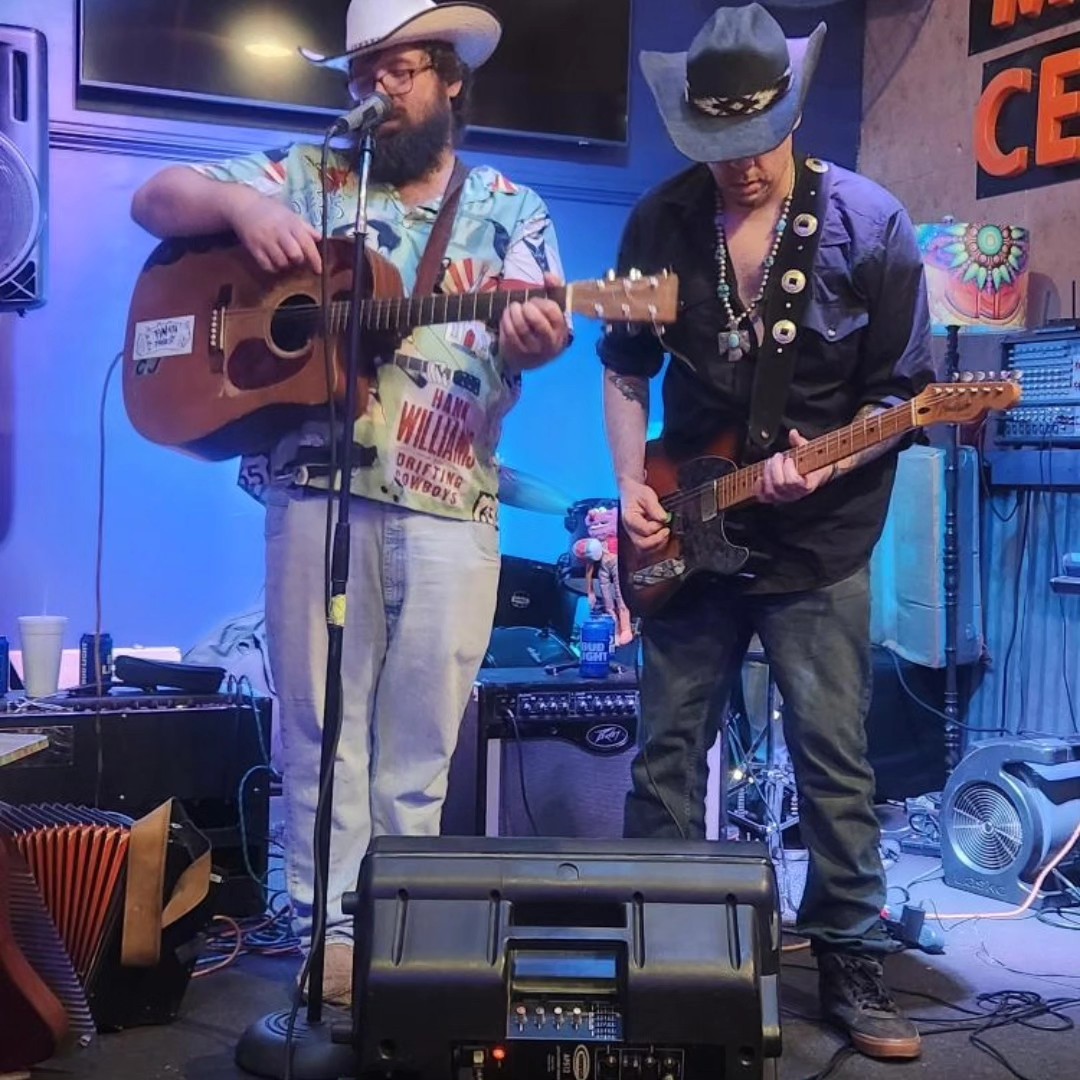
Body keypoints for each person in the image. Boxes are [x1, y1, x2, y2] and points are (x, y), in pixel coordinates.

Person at [131, 0, 569, 1007]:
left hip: (453, 505)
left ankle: (399, 933)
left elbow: (540, 327)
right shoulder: (303, 176)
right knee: (317, 737)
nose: (380, 88)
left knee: (419, 748)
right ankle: (324, 935)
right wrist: (243, 211)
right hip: (313, 497)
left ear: (452, 80)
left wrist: (541, 338)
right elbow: (155, 199)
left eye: (402, 70)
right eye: (364, 72)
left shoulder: (513, 209)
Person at [599, 4, 933, 1061]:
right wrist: (629, 483)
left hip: (818, 542)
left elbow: (905, 400)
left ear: (790, 111)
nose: (739, 165)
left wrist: (828, 461)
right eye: (716, 143)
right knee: (665, 752)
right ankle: (654, 949)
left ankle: (851, 963)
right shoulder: (659, 223)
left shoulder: (871, 225)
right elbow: (624, 370)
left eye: (756, 139)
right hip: (687, 525)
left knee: (835, 761)